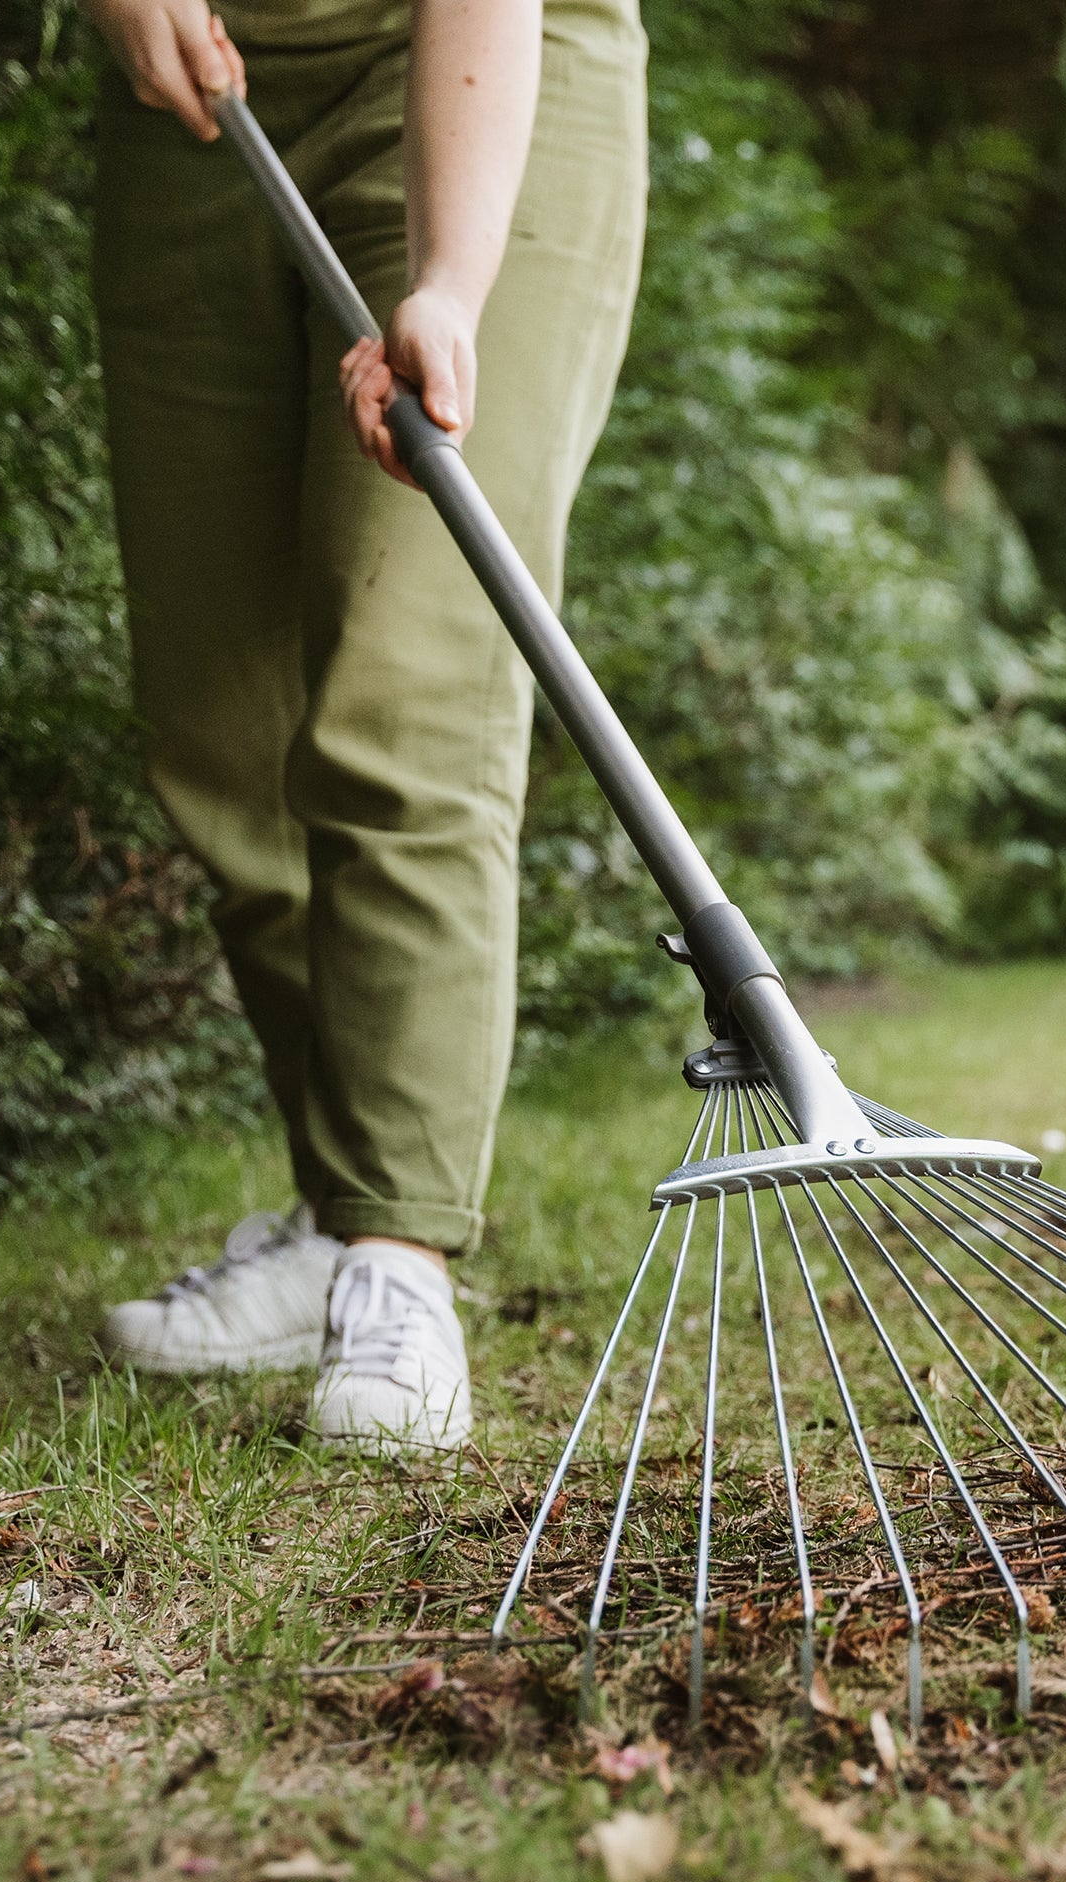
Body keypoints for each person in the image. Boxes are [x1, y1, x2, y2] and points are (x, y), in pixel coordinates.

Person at [83, 0, 646, 1451]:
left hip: (469, 72)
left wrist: (455, 281)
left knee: (411, 675)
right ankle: (335, 1224)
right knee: (218, 718)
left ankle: (398, 1260)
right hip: (195, 86)